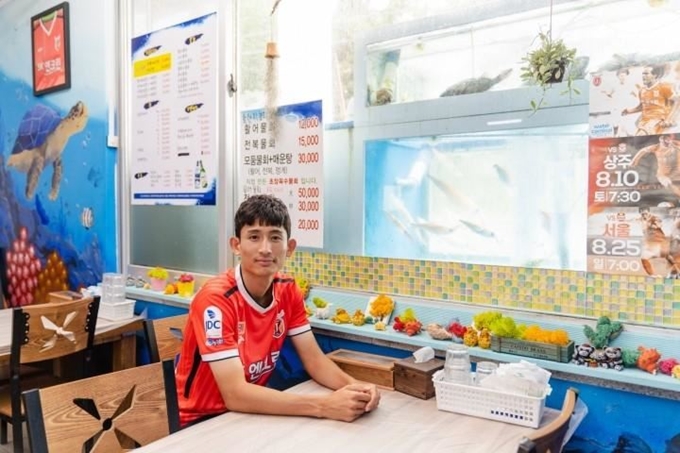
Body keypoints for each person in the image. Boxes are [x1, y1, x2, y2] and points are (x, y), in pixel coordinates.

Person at [175, 194, 380, 427]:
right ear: (236, 246)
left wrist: (355, 388)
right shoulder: (216, 300)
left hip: (250, 414)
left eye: (275, 237)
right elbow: (235, 395)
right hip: (199, 421)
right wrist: (324, 406)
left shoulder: (288, 289)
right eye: (254, 237)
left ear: (289, 247)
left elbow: (314, 360)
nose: (265, 249)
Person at [622, 65, 677, 136]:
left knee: (640, 135)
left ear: (655, 75)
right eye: (643, 73)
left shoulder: (664, 87)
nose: (643, 76)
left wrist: (669, 119)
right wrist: (629, 111)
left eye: (646, 73)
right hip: (644, 121)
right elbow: (642, 106)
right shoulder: (642, 90)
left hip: (657, 121)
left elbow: (677, 101)